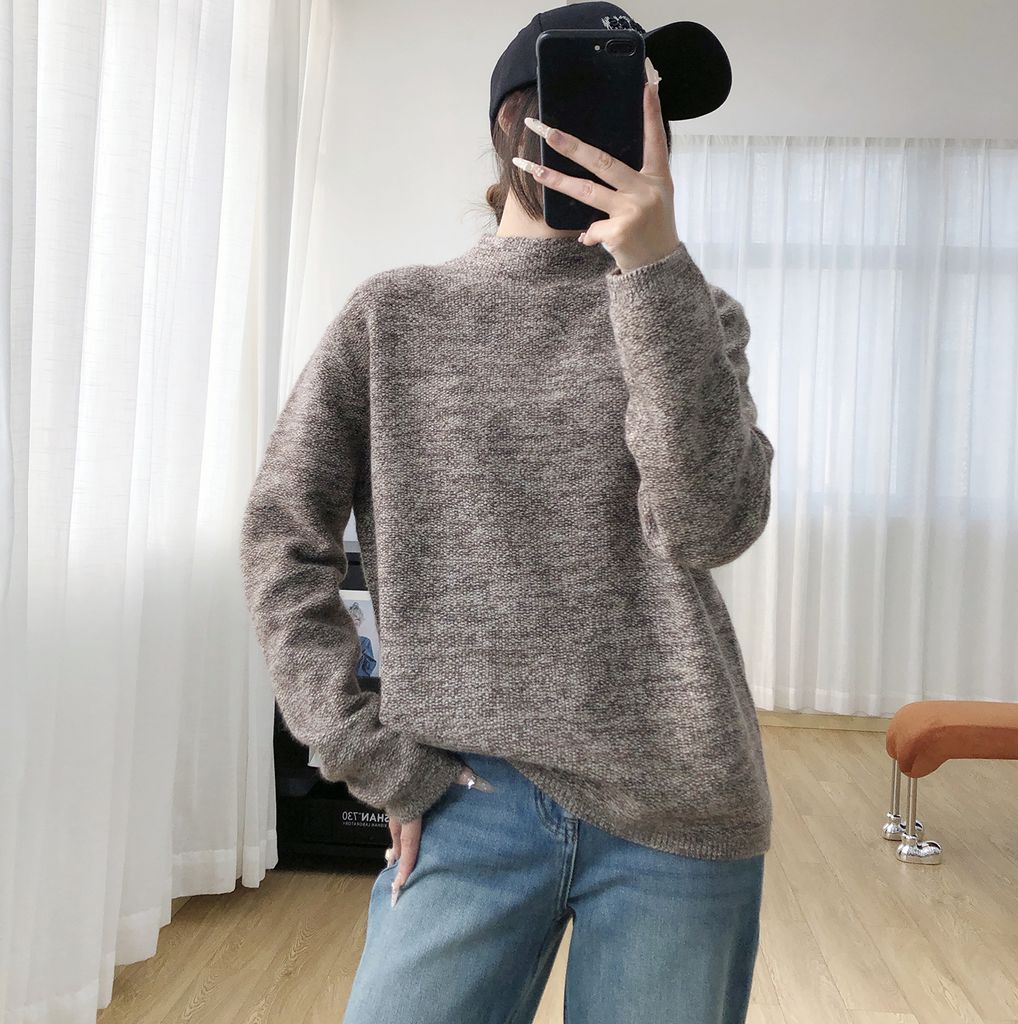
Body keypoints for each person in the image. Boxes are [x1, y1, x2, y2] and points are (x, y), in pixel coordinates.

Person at [238, 4, 774, 1022]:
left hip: (679, 803)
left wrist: (653, 272)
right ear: (510, 125)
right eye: (595, 106)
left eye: (644, 116)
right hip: (463, 800)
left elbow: (711, 526)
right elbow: (281, 539)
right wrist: (369, 754)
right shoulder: (393, 316)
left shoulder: (694, 314)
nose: (624, 137)